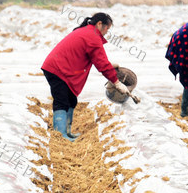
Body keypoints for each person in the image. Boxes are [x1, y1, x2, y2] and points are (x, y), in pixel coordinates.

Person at [41, 12, 128, 142]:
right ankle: (60, 135)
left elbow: (98, 59)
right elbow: (102, 64)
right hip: (58, 69)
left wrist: (109, 66)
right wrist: (116, 82)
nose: (106, 32)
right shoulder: (92, 36)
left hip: (61, 67)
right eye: (107, 29)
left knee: (71, 100)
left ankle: (67, 132)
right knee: (62, 101)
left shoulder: (87, 32)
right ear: (99, 24)